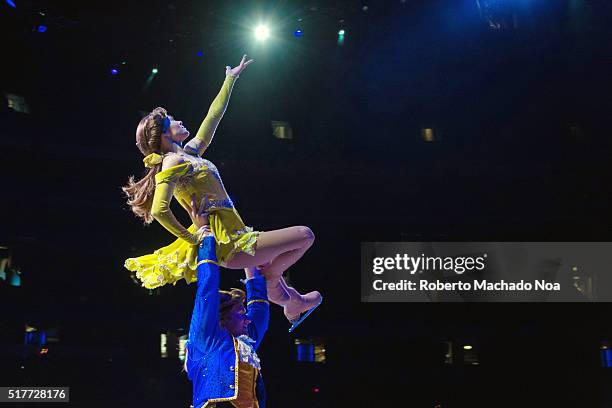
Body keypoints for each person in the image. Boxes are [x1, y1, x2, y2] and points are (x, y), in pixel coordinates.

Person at [123, 55, 321, 330]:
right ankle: (276, 278)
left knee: (280, 277)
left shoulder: (190, 153)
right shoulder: (173, 161)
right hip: (229, 243)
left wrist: (230, 79)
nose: (179, 120)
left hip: (238, 233)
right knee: (304, 235)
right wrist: (193, 236)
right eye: (172, 119)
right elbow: (159, 209)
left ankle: (292, 302)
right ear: (165, 134)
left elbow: (212, 117)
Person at [185, 223, 268, 408]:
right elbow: (207, 289)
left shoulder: (244, 344)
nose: (248, 320)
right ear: (223, 319)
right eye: (242, 314)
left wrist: (251, 259)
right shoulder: (207, 338)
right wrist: (206, 239)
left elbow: (260, 312)